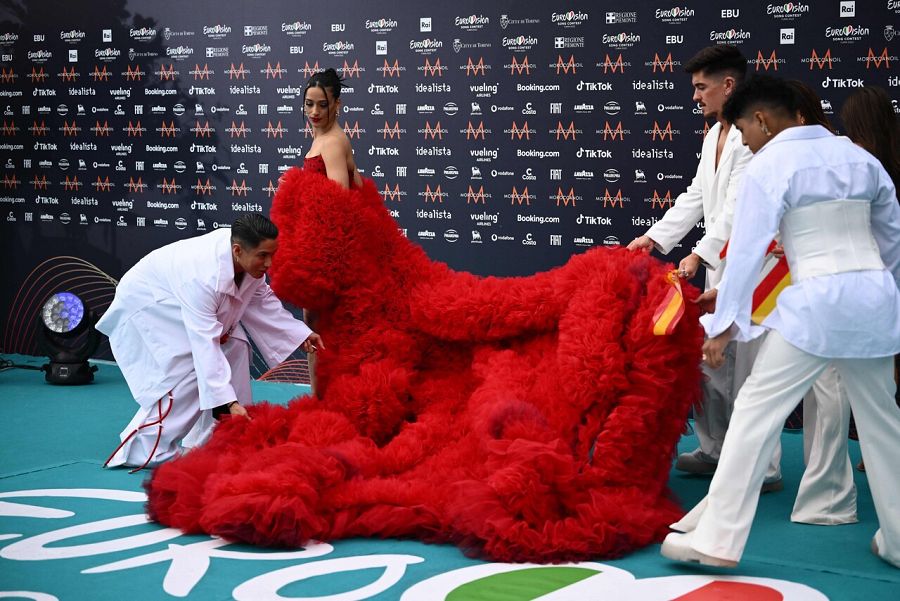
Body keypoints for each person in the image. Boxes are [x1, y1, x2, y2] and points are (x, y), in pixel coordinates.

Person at [661, 74, 900, 568]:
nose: (747, 141)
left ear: (763, 120)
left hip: (814, 304)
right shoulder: (861, 158)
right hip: (874, 300)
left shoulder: (770, 164)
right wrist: (885, 299)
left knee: (754, 413)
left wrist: (724, 326)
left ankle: (716, 542)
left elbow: (746, 252)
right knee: (884, 424)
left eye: (745, 131)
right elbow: (890, 240)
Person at [627, 45, 782, 489]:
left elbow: (738, 207)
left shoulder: (755, 134)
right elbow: (697, 196)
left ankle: (764, 466)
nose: (695, 97)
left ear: (727, 85)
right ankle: (714, 449)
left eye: (701, 87)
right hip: (718, 264)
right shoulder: (713, 134)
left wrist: (700, 253)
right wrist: (655, 238)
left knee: (751, 369)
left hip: (754, 265)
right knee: (710, 364)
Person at [100, 213, 323, 470]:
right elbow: (204, 344)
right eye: (263, 256)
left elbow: (262, 302)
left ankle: (221, 439)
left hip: (184, 298)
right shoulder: (201, 276)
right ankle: (145, 448)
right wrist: (228, 403)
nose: (269, 263)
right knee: (190, 371)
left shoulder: (247, 260)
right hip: (151, 303)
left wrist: (300, 333)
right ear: (238, 250)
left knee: (236, 345)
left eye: (272, 254)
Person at [300, 68, 362, 394]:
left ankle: (324, 400)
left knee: (322, 330)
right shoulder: (326, 139)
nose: (313, 112)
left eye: (321, 105)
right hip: (318, 246)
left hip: (328, 251)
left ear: (336, 104)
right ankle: (320, 399)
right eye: (309, 104)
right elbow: (357, 185)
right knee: (315, 329)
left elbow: (339, 200)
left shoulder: (333, 143)